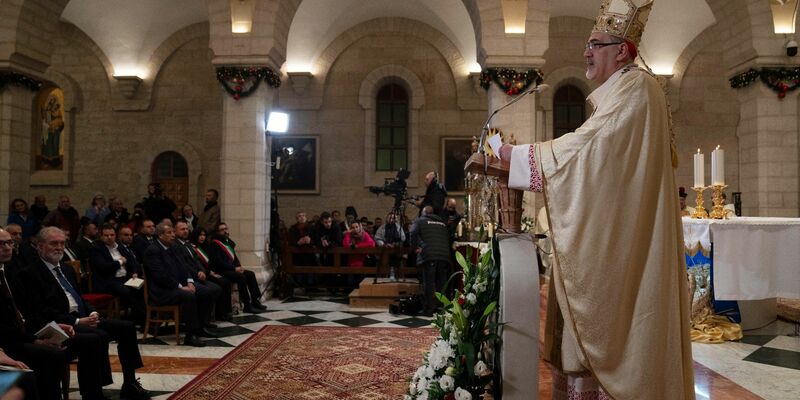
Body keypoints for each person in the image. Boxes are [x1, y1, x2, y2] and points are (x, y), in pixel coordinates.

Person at [499, 1, 694, 398]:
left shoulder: (637, 89)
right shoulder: (626, 91)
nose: (586, 52)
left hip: (629, 246)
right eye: (587, 45)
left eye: (595, 44)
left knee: (624, 330)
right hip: (621, 231)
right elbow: (596, 157)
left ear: (622, 50)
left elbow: (589, 151)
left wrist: (517, 156)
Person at [14, 227, 151, 399]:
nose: (59, 247)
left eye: (62, 243)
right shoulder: (30, 273)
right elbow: (41, 311)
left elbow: (80, 298)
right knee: (96, 337)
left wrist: (93, 312)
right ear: (40, 246)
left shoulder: (67, 269)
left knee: (127, 327)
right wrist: (78, 322)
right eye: (53, 243)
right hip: (59, 324)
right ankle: (92, 393)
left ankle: (130, 383)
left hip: (83, 318)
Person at [142, 222, 209, 347]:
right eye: (169, 233)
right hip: (161, 292)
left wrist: (189, 281)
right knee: (188, 296)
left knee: (205, 292)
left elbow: (184, 267)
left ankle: (200, 327)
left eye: (173, 232)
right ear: (160, 235)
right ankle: (190, 335)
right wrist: (180, 287)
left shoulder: (173, 247)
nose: (173, 235)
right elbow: (160, 276)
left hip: (176, 287)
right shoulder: (153, 251)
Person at [207, 223, 266, 314]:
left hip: (232, 269)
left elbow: (234, 257)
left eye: (226, 228)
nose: (225, 231)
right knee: (241, 277)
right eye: (222, 230)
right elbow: (218, 262)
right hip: (222, 270)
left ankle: (255, 300)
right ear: (218, 232)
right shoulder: (215, 244)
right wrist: (234, 268)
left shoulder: (227, 242)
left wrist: (239, 266)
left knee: (250, 274)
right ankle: (247, 305)